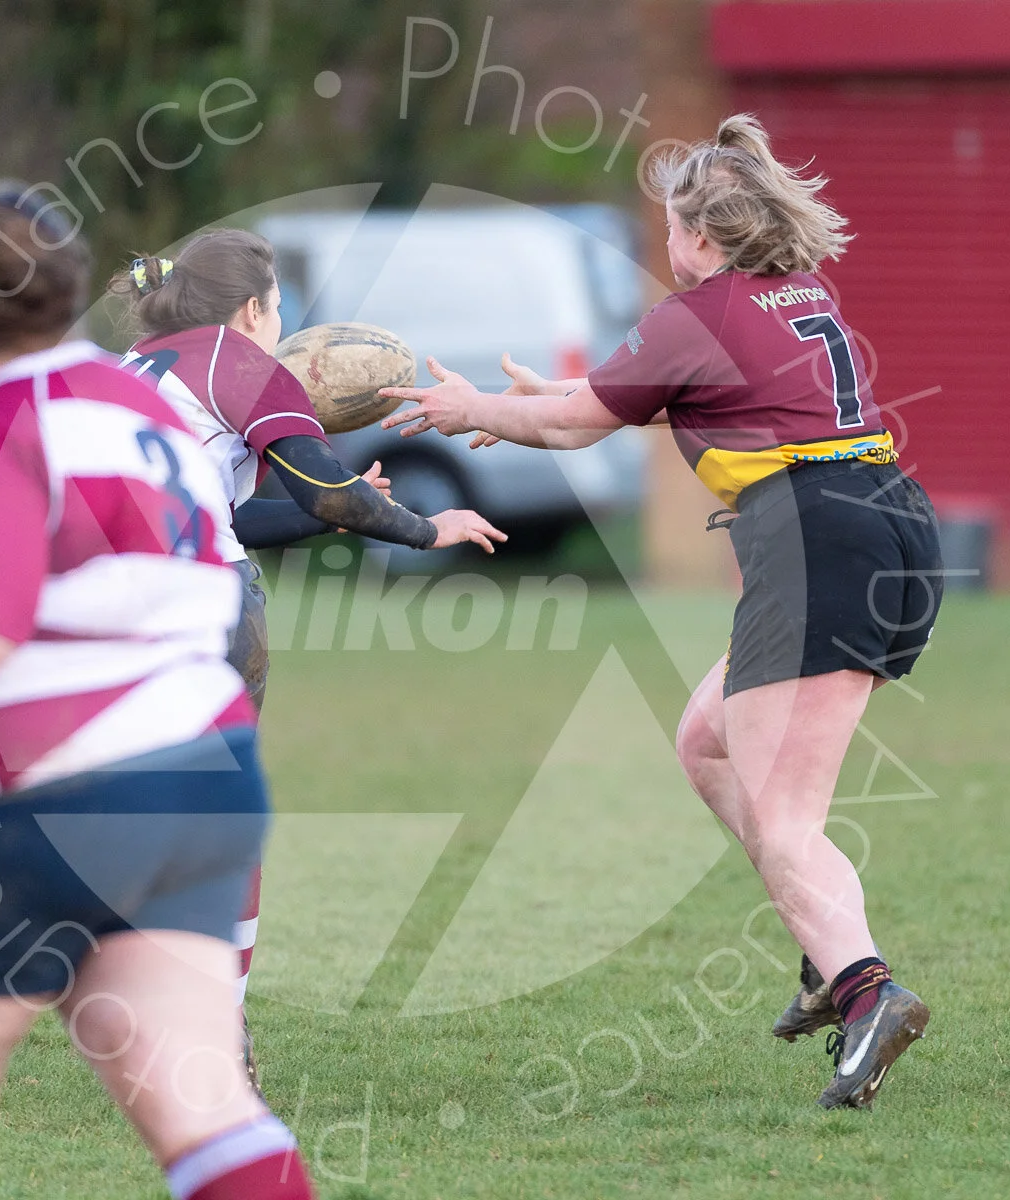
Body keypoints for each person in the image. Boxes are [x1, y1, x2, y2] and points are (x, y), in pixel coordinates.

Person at [380, 115, 942, 1110]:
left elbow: (576, 420)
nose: (663, 245)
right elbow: (609, 395)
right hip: (885, 526)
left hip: (815, 544)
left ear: (700, 239)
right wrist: (530, 397)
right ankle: (830, 954)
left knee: (784, 816)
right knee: (708, 743)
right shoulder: (795, 292)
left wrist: (472, 411)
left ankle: (866, 993)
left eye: (670, 228)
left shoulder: (699, 312)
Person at [0, 183, 317, 1200]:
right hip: (204, 783)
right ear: (65, 295)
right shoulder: (146, 408)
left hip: (48, 796)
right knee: (207, 1111)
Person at [109, 229, 506, 1079]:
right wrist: (422, 526)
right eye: (278, 304)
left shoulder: (134, 366)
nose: (282, 321)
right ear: (254, 309)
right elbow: (324, 488)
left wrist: (343, 503)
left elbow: (225, 510)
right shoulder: (241, 362)